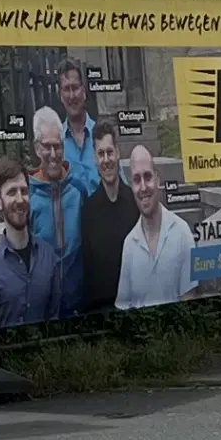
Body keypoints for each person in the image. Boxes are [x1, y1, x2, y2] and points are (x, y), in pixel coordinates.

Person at [0, 159, 64, 331]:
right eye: (11, 192)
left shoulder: (49, 258)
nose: (19, 199)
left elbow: (55, 321)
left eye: (24, 191)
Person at [116, 141, 196, 307]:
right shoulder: (129, 245)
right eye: (137, 179)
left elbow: (190, 304)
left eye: (148, 177)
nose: (143, 187)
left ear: (157, 179)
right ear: (131, 186)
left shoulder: (182, 233)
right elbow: (123, 307)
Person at [75, 119, 139, 315]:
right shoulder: (88, 210)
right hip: (103, 312)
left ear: (118, 153)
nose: (106, 159)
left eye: (109, 152)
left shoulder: (135, 203)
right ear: (94, 158)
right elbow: (88, 269)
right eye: (100, 154)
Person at [27, 106, 87, 314]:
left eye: (58, 146)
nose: (53, 154)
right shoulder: (28, 196)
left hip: (78, 301)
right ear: (37, 148)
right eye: (47, 146)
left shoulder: (79, 190)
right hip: (42, 305)